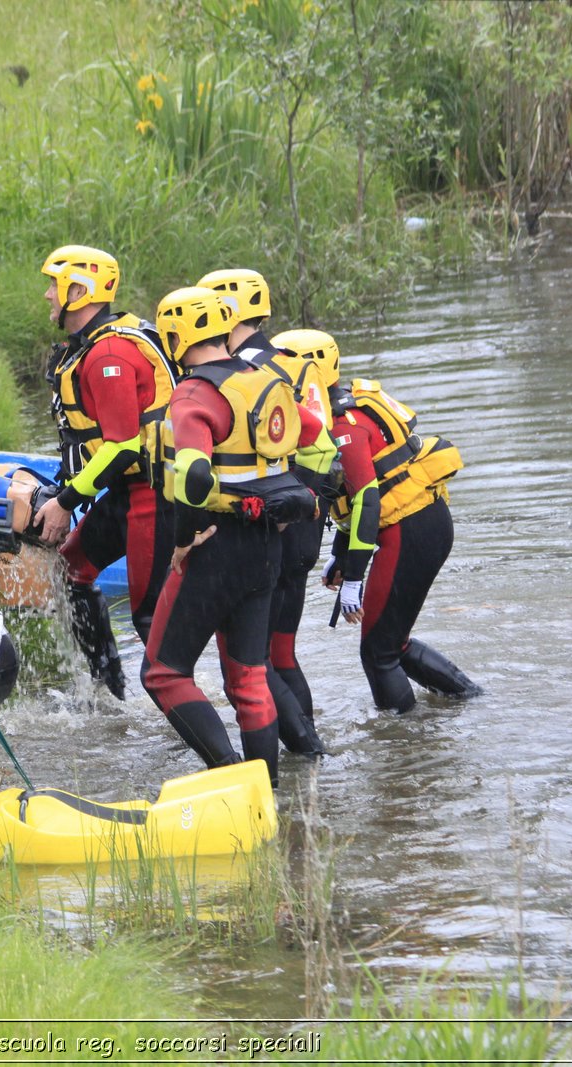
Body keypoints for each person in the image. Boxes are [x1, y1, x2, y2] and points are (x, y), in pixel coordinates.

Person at [139, 287, 335, 786]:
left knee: (162, 674)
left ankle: (229, 778)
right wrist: (297, 499)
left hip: (215, 546)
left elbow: (196, 478)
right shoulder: (270, 379)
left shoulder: (194, 393)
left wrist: (183, 541)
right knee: (248, 678)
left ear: (175, 336)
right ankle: (265, 794)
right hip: (268, 546)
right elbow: (316, 439)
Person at [303, 331, 482, 711]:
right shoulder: (341, 411)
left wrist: (353, 579)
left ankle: (401, 750)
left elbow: (368, 501)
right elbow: (354, 498)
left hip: (411, 531)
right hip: (419, 523)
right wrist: (340, 553)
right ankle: (470, 700)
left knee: (379, 653)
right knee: (391, 643)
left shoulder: (343, 427)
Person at [31, 245, 178, 699]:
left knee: (149, 617)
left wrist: (64, 502)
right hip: (128, 491)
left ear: (80, 290)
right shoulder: (91, 347)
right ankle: (108, 695)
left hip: (155, 496)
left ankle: (178, 710)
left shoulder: (107, 354)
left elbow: (123, 447)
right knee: (71, 568)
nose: (47, 296)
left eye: (53, 286)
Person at [198, 269, 328, 756]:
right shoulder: (295, 364)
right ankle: (308, 757)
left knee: (254, 661)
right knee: (278, 654)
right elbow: (323, 444)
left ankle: (306, 750)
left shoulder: (246, 373)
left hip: (269, 524)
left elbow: (308, 437)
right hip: (305, 522)